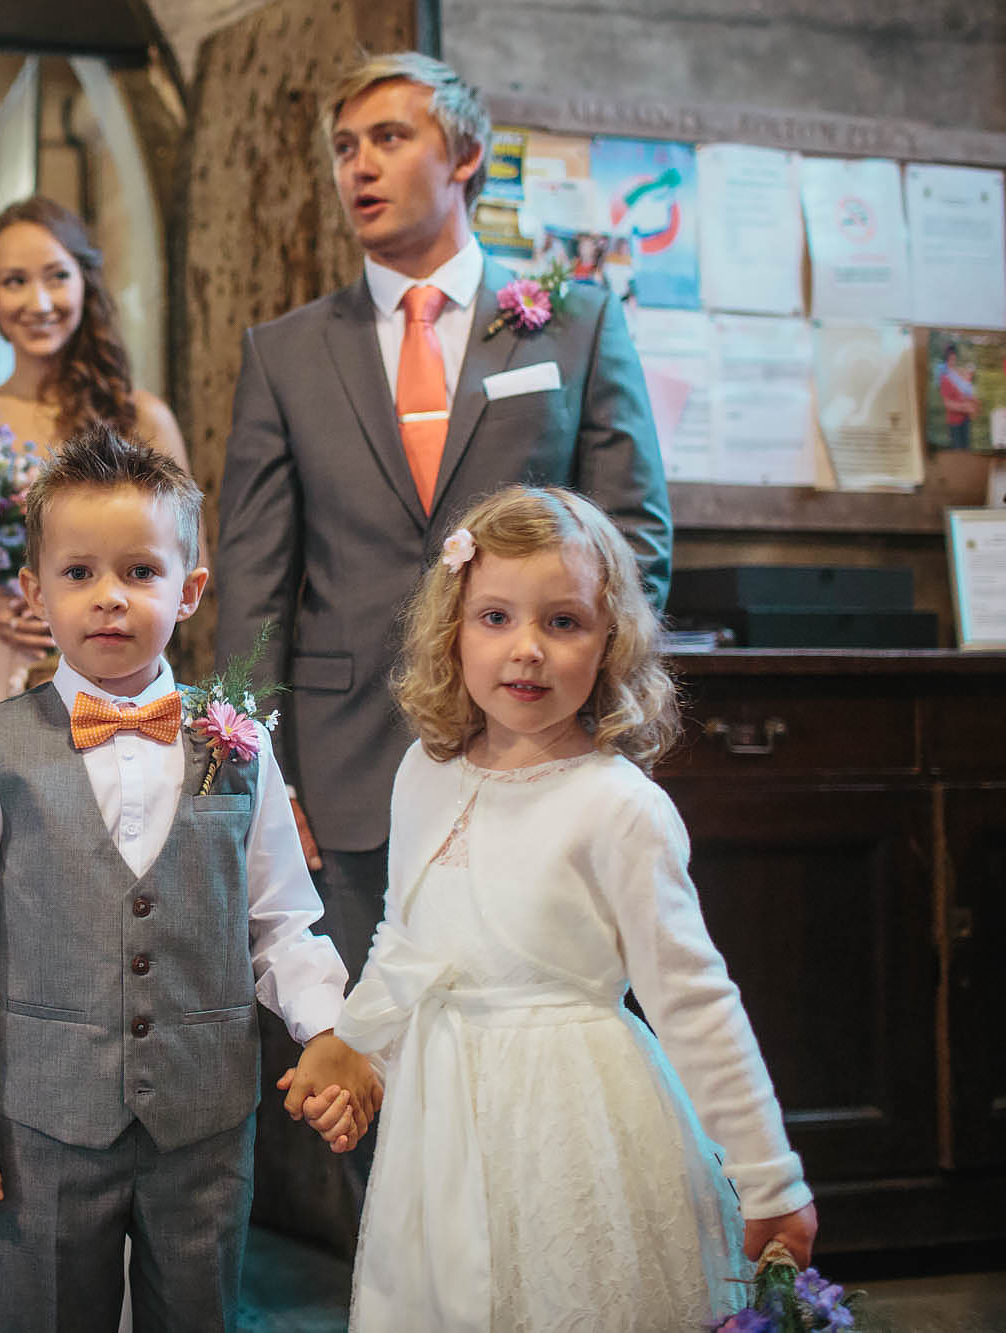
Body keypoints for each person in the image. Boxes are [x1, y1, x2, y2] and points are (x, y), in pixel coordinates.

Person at [212, 49, 672, 1238]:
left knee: (538, 1033)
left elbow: (631, 538)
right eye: (343, 148)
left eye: (387, 138)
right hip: (351, 762)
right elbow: (253, 576)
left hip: (543, 755)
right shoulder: (284, 351)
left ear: (462, 155)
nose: (357, 165)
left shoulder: (567, 318)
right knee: (375, 1058)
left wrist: (578, 696)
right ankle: (410, 1280)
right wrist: (262, 762)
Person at [0, 428, 375, 1332]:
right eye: (79, 573)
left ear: (190, 589)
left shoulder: (237, 739)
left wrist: (326, 1026)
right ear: (34, 590)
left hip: (203, 1120)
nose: (109, 598)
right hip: (44, 1122)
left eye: (140, 571)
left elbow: (280, 918)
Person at [325, 485, 814, 1330]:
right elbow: (404, 938)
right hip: (442, 1126)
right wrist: (359, 1050)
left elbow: (693, 1001)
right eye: (496, 618)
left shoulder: (617, 808)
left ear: (610, 640)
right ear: (452, 629)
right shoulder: (422, 772)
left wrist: (770, 1177)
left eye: (563, 622)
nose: (526, 651)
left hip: (572, 1122)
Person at [0, 197, 196, 1318]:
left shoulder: (141, 413)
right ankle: (5, 1217)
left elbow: (177, 559)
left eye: (56, 277)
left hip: (116, 688)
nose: (37, 301)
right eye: (14, 282)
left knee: (115, 916)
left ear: (86, 284)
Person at [939, 341, 978, 451]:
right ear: (946, 357)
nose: (952, 356)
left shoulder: (959, 372)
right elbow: (947, 404)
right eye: (949, 354)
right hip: (955, 422)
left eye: (953, 353)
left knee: (967, 450)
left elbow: (967, 391)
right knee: (958, 452)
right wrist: (965, 408)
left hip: (965, 420)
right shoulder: (945, 378)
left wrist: (973, 402)